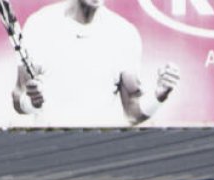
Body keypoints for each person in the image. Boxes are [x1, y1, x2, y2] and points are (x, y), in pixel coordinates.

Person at [13, 0, 180, 126]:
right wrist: (31, 103)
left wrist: (158, 96)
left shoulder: (125, 34)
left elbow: (132, 113)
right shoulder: (39, 25)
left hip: (99, 155)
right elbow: (19, 97)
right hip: (50, 155)